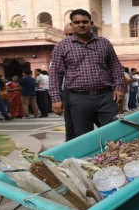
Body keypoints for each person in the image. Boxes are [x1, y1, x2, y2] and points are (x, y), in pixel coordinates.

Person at [49, 9, 125, 138]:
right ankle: (88, 158)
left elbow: (115, 66)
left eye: (85, 22)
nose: (81, 25)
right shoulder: (62, 46)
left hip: (106, 97)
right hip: (79, 98)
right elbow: (55, 74)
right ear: (72, 25)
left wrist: (119, 87)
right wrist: (56, 99)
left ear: (92, 23)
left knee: (115, 132)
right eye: (77, 22)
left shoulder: (103, 43)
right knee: (83, 136)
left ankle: (114, 157)